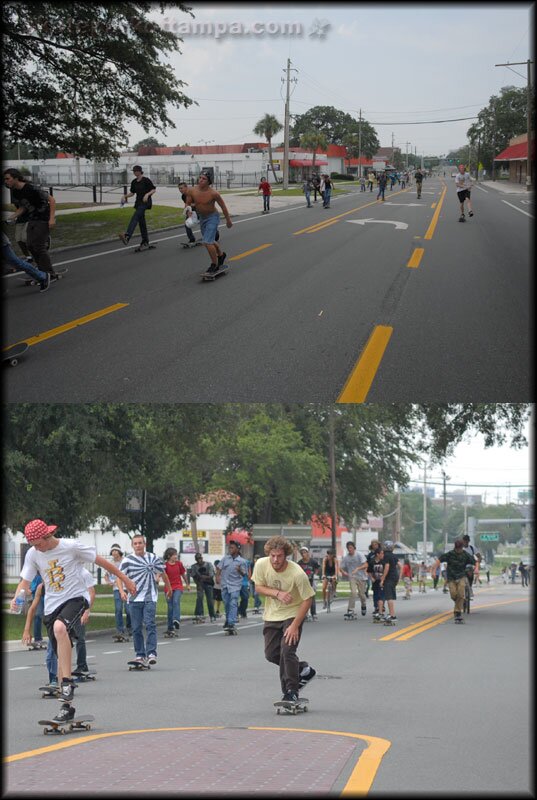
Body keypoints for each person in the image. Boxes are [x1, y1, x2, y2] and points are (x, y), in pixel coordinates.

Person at [12, 518, 137, 723]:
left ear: (47, 536)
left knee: (60, 629)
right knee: (61, 654)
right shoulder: (34, 554)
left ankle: (68, 681)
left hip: (76, 598)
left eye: (38, 543)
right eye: (33, 545)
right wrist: (18, 597)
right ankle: (66, 707)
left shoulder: (71, 547)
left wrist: (126, 579)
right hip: (52, 606)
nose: (36, 548)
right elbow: (24, 582)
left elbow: (102, 562)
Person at [252, 535, 316, 704]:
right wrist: (277, 593)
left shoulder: (297, 573)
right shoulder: (261, 564)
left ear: (285, 555)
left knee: (287, 651)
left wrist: (295, 625)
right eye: (272, 555)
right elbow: (258, 587)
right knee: (271, 654)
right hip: (272, 615)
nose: (275, 559)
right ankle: (303, 670)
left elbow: (308, 599)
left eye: (279, 556)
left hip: (292, 614)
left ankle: (290, 691)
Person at [117, 533, 171, 667]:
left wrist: (169, 588)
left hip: (149, 597)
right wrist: (121, 591)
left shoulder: (153, 558)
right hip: (134, 599)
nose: (138, 546)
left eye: (140, 543)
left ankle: (151, 653)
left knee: (150, 624)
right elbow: (119, 577)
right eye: (135, 543)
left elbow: (163, 574)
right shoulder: (127, 561)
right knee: (136, 628)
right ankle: (140, 655)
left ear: (144, 544)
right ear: (132, 545)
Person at [3, 168, 57, 279]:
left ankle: (50, 273)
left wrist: (52, 218)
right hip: (32, 218)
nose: (6, 181)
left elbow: (52, 200)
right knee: (30, 245)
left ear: (16, 178)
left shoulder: (31, 188)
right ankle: (42, 271)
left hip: (43, 217)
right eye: (5, 179)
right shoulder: (16, 191)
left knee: (38, 246)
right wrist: (11, 217)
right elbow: (23, 207)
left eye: (8, 179)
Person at [184, 172, 232, 274]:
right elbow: (187, 203)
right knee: (209, 240)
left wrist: (228, 220)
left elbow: (223, 207)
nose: (200, 180)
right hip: (202, 218)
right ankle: (221, 255)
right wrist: (188, 211)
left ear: (209, 182)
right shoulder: (192, 191)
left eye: (204, 179)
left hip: (212, 217)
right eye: (200, 177)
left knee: (207, 242)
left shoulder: (214, 193)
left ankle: (214, 265)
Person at [432, 539, 475, 623]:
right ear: (455, 548)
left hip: (461, 576)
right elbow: (438, 561)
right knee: (454, 595)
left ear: (462, 547)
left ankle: (457, 613)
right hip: (451, 578)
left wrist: (476, 568)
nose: (459, 550)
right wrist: (433, 571)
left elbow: (475, 561)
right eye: (457, 548)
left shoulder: (465, 555)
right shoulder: (450, 554)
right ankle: (460, 603)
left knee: (461, 594)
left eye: (460, 548)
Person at [118, 165, 156, 250]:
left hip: (145, 202)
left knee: (135, 217)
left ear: (139, 171)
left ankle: (127, 236)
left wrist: (147, 194)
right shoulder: (134, 182)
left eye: (135, 171)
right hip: (138, 203)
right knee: (142, 223)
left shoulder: (146, 180)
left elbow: (153, 189)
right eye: (133, 171)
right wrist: (125, 196)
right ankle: (145, 241)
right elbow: (132, 193)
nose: (134, 172)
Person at [215, 540, 248, 633]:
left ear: (237, 549)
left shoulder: (242, 561)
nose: (230, 549)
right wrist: (217, 577)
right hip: (225, 585)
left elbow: (244, 574)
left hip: (235, 585)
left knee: (233, 602)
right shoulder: (225, 558)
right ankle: (228, 619)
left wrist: (239, 570)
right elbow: (219, 568)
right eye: (230, 547)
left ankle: (231, 622)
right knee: (226, 603)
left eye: (232, 547)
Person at [104, 545, 132, 639]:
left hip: (126, 588)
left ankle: (130, 627)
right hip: (116, 589)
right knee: (118, 609)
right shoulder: (110, 563)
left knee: (128, 610)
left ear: (119, 552)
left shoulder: (125, 561)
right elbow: (106, 575)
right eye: (112, 551)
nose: (114, 552)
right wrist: (108, 582)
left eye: (116, 551)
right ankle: (120, 630)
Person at [163, 547, 189, 633]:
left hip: (178, 586)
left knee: (176, 601)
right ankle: (170, 627)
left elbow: (183, 574)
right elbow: (161, 575)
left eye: (176, 554)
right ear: (169, 556)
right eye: (174, 554)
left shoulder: (179, 564)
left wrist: (187, 584)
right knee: (170, 608)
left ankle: (176, 620)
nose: (176, 556)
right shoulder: (165, 565)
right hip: (168, 588)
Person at [340, 541, 368, 618]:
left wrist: (358, 568)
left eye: (351, 548)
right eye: (348, 548)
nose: (350, 549)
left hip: (361, 577)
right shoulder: (346, 558)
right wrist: (344, 572)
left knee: (362, 595)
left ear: (354, 548)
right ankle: (350, 609)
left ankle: (363, 605)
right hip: (352, 577)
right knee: (353, 592)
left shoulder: (359, 555)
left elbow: (366, 564)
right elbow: (341, 567)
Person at [190, 551, 216, 622]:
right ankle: (199, 614)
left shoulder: (208, 565)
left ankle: (212, 615)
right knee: (199, 598)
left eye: (200, 558)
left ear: (202, 558)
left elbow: (211, 575)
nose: (199, 560)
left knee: (210, 600)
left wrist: (203, 577)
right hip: (200, 583)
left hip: (208, 584)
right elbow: (194, 576)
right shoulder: (194, 567)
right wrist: (198, 583)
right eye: (197, 559)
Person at [378, 541, 400, 623]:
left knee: (389, 597)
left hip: (389, 578)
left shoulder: (386, 555)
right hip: (394, 577)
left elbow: (387, 566)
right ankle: (391, 614)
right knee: (390, 596)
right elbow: (400, 566)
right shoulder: (393, 556)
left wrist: (382, 579)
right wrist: (399, 577)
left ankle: (392, 615)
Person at [297, 546, 320, 620]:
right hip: (303, 582)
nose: (303, 554)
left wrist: (316, 574)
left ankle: (314, 614)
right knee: (304, 598)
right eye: (302, 553)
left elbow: (317, 568)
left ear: (307, 553)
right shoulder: (300, 563)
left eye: (305, 552)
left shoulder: (313, 561)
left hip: (312, 581)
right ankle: (305, 614)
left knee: (311, 598)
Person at [370, 546, 386, 622]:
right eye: (381, 553)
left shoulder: (384, 562)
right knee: (376, 596)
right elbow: (369, 571)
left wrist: (383, 579)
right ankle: (377, 609)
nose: (383, 555)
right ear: (377, 554)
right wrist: (371, 578)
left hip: (382, 582)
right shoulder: (372, 561)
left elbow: (386, 572)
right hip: (375, 582)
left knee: (381, 597)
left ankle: (380, 612)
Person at [366, 540, 382, 614]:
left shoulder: (382, 553)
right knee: (375, 592)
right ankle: (376, 607)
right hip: (374, 576)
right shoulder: (370, 555)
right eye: (373, 544)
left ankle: (381, 606)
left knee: (381, 592)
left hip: (381, 576)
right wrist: (370, 576)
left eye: (376, 544)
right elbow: (368, 566)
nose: (375, 546)